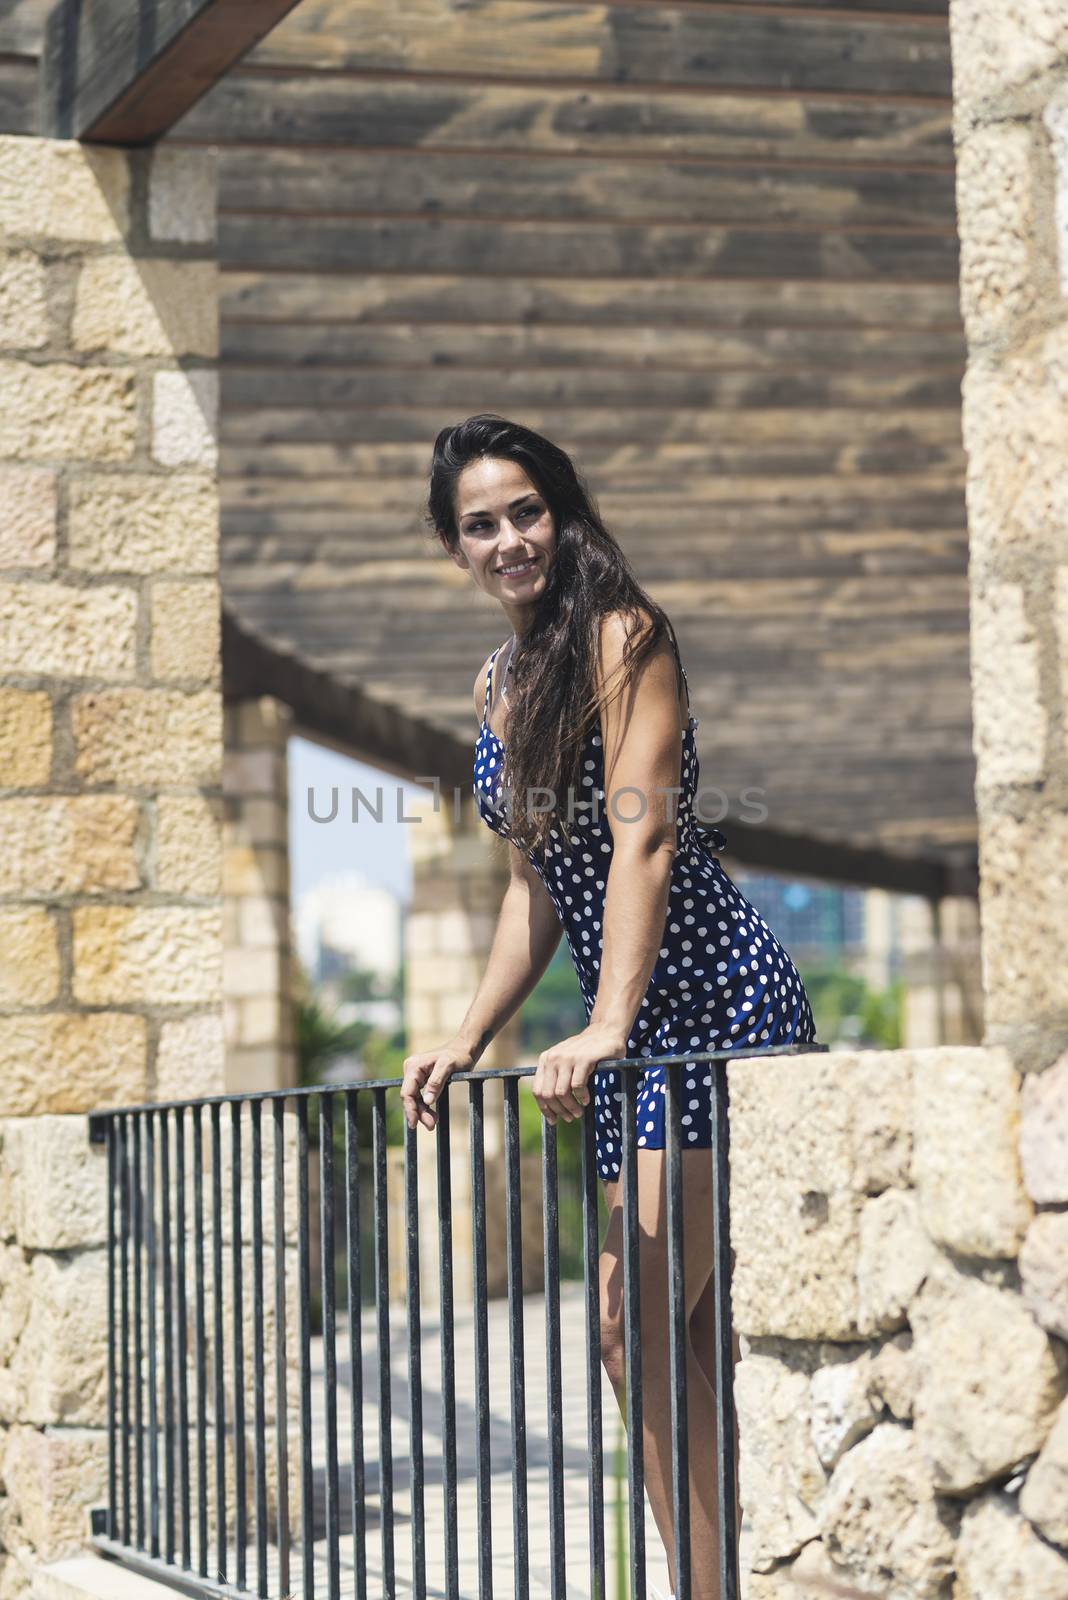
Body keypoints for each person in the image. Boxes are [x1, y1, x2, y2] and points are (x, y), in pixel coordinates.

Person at [400, 413, 817, 1598]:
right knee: (670, 1342)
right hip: (632, 1027)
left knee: (634, 1330)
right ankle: (731, 1577)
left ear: (562, 510)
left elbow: (641, 838)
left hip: (712, 1004)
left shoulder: (627, 637)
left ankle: (714, 1586)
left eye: (525, 510)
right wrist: (472, 1033)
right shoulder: (499, 680)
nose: (509, 539)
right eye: (480, 524)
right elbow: (538, 881)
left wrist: (610, 1022)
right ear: (456, 547)